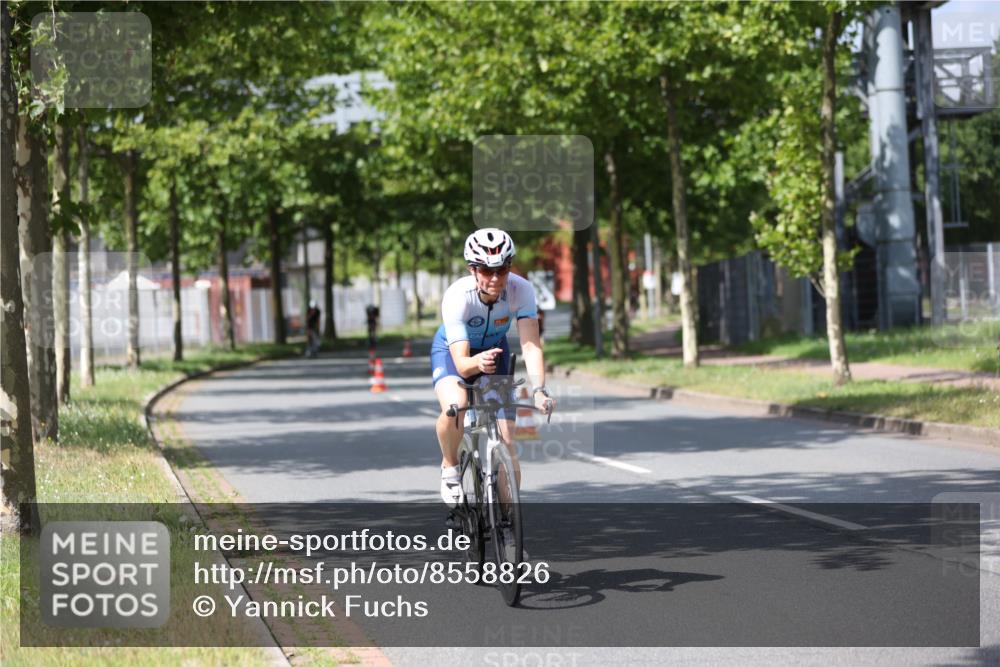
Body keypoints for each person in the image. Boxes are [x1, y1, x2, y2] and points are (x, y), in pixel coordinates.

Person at [431, 228, 554, 508]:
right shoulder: (457, 296)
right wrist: (475, 363)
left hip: (495, 353)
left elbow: (531, 345)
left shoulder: (520, 290)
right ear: (472, 270)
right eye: (487, 270)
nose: (496, 278)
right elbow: (462, 364)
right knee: (456, 406)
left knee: (507, 438)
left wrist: (539, 389)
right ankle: (450, 467)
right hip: (453, 353)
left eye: (503, 269)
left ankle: (509, 527)